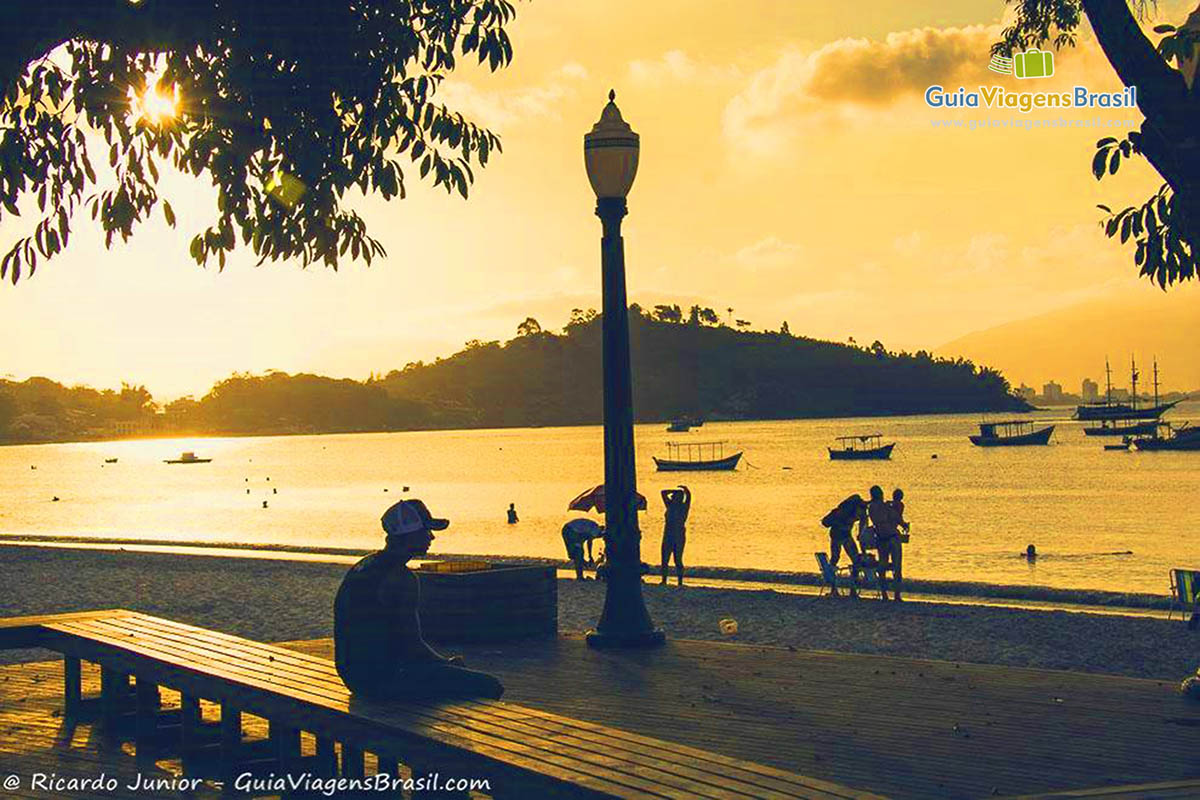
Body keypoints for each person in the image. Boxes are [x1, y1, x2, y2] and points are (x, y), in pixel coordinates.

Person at [334, 499, 504, 701]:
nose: (431, 537)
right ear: (410, 534)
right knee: (490, 686)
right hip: (384, 678)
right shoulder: (401, 578)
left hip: (353, 675)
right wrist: (447, 663)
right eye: (427, 530)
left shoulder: (364, 565)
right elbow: (413, 646)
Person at [820, 494, 868, 597]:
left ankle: (852, 590)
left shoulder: (859, 512)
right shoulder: (845, 513)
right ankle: (834, 589)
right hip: (837, 534)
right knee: (835, 559)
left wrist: (863, 548)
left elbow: (862, 531)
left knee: (856, 560)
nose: (862, 514)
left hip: (845, 534)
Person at [867, 485, 903, 601]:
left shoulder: (871, 507)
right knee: (897, 567)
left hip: (881, 538)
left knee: (882, 566)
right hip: (892, 537)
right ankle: (897, 595)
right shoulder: (885, 506)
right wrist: (904, 524)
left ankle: (884, 594)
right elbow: (896, 518)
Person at [660, 485, 691, 586]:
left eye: (674, 496)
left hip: (678, 535)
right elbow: (663, 492)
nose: (672, 498)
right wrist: (675, 490)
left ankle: (680, 582)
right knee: (665, 559)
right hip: (668, 534)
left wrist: (684, 491)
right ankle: (664, 580)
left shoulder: (683, 507)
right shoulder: (670, 505)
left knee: (677, 559)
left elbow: (689, 496)